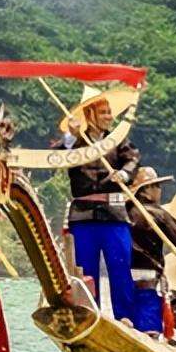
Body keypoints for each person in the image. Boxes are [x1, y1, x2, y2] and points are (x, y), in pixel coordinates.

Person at [61, 86, 141, 324]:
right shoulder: (74, 142)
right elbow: (59, 157)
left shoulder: (118, 139)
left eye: (109, 112)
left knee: (120, 268)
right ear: (91, 115)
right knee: (85, 271)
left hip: (114, 215)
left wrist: (124, 175)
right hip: (83, 217)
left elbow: (132, 160)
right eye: (104, 112)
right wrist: (73, 138)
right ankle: (88, 315)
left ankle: (125, 319)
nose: (109, 117)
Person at [125, 165, 176, 335]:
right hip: (148, 283)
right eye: (157, 186)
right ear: (147, 190)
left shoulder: (122, 212)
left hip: (122, 282)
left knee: (127, 327)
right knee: (149, 333)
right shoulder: (156, 213)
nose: (160, 191)